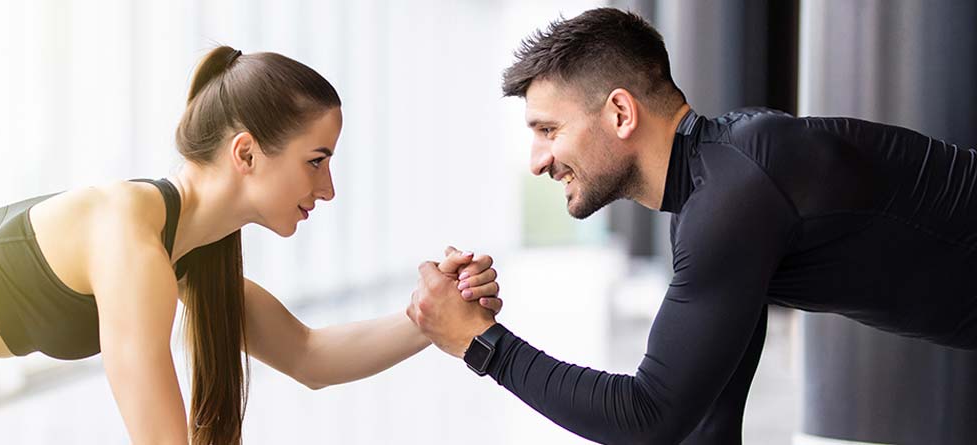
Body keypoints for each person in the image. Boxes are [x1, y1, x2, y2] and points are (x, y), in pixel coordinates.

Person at [0, 46, 503, 445]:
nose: (327, 190)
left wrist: (432, 314)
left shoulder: (177, 254)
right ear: (246, 152)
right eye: (316, 160)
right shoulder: (131, 242)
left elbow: (309, 355)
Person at [407, 7, 977, 444]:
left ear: (621, 113)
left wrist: (483, 344)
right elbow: (704, 422)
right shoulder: (715, 197)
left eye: (548, 130)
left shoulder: (736, 191)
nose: (537, 160)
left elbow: (649, 416)